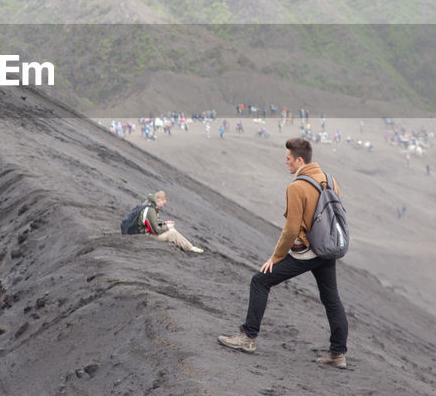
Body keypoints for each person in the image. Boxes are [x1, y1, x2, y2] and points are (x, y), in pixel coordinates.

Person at [217, 137, 348, 365]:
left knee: (260, 281)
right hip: (328, 249)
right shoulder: (330, 180)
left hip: (308, 252)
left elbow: (291, 230)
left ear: (299, 160)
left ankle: (248, 337)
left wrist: (275, 257)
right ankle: (338, 354)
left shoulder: (297, 187)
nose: (285, 162)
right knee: (331, 299)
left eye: (288, 158)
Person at [134, 191, 203, 253]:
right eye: (163, 203)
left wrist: (163, 223)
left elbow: (151, 221)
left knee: (172, 230)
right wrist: (167, 227)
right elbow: (156, 230)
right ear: (159, 199)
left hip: (143, 230)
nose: (163, 206)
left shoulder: (149, 203)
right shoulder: (151, 209)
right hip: (144, 234)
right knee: (172, 233)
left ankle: (188, 246)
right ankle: (190, 248)